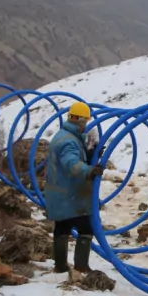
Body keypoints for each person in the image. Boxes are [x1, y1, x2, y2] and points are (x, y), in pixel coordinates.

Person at [45, 101, 105, 273]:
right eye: (85, 121)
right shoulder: (68, 142)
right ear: (80, 121)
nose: (86, 124)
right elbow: (71, 164)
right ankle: (81, 266)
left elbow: (74, 157)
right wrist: (90, 171)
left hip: (61, 192)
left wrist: (90, 155)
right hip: (69, 194)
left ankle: (61, 266)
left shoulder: (64, 135)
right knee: (86, 227)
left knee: (62, 227)